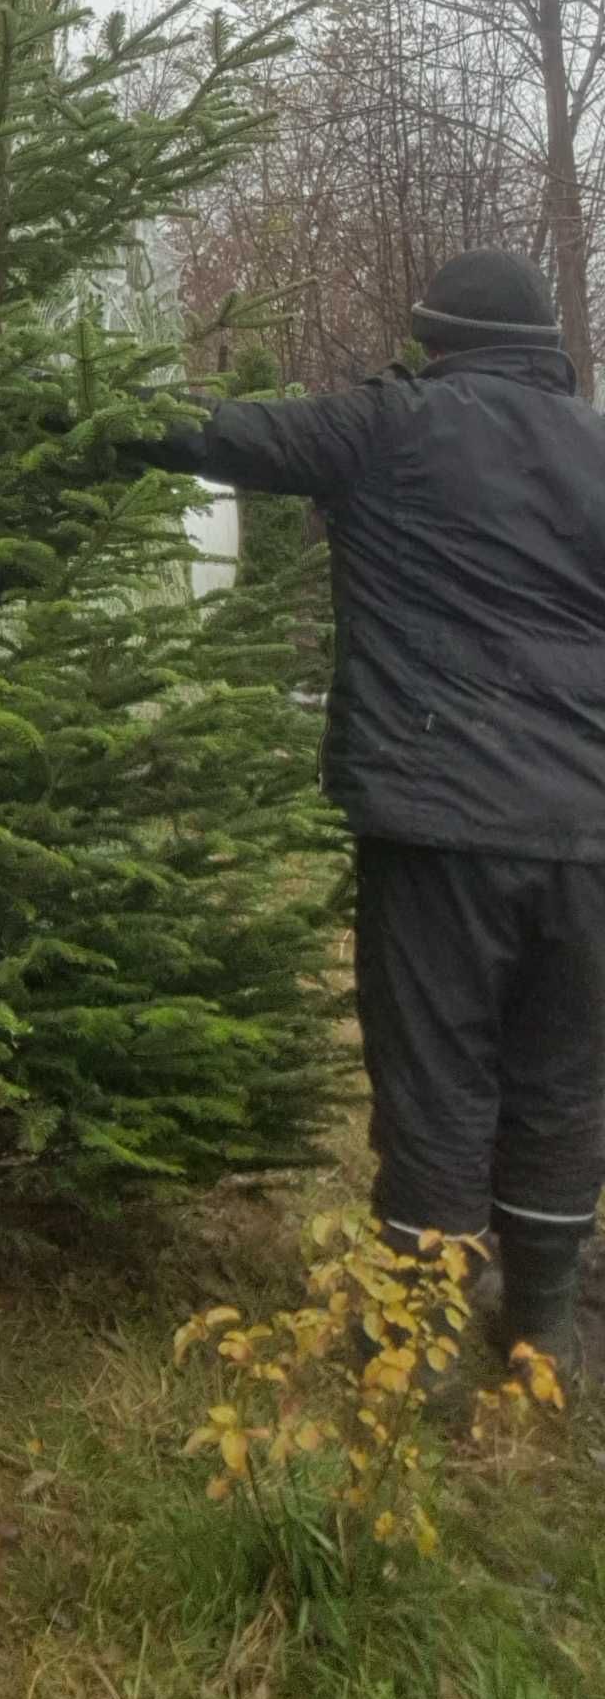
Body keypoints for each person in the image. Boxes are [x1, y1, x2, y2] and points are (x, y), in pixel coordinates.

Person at [134, 251, 605, 1374]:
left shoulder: (388, 429)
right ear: (543, 352)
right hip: (591, 828)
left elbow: (220, 435)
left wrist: (69, 409)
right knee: (562, 1068)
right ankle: (544, 1330)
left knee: (437, 1065)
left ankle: (422, 1349)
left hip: (439, 816)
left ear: (432, 342)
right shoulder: (595, 447)